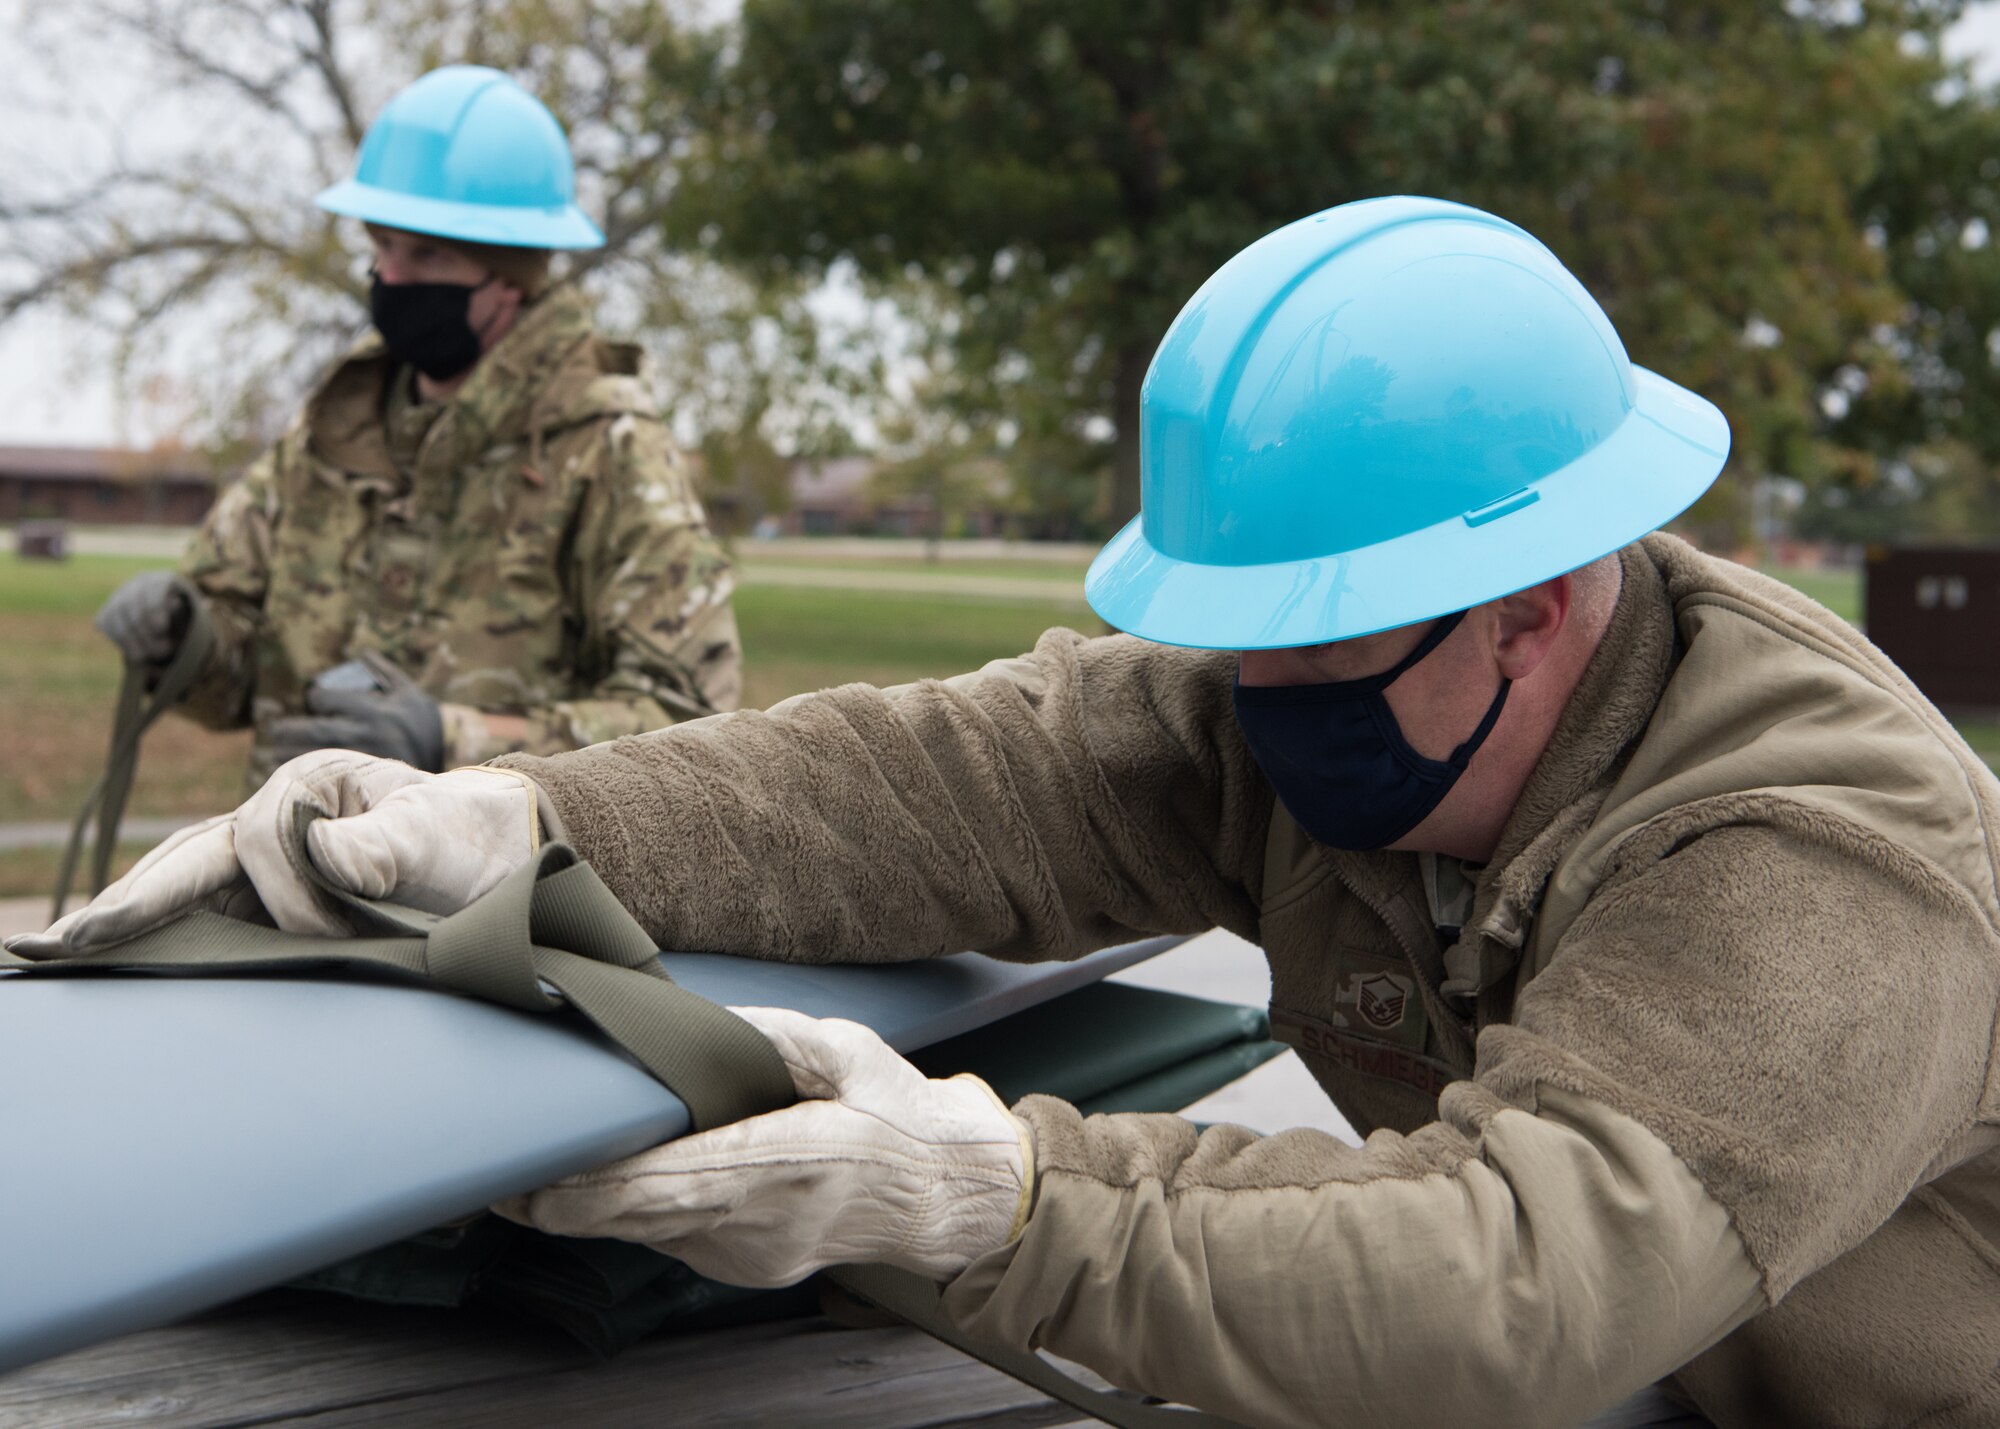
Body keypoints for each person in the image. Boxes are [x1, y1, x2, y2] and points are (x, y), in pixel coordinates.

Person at [31, 197, 2000, 1429]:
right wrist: (509, 815)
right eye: (1247, 661)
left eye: (1323, 663)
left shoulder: (1810, 855)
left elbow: (1519, 1287)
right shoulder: (1318, 688)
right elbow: (959, 779)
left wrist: (996, 1198)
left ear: (1541, 603)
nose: (1269, 726)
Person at [92, 65, 740, 787]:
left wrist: (450, 740)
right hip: (295, 871)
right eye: (380, 248)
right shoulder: (332, 432)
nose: (392, 279)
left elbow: (686, 729)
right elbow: (244, 674)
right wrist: (187, 636)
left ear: (510, 278)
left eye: (428, 254)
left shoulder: (608, 449)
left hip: (497, 889)